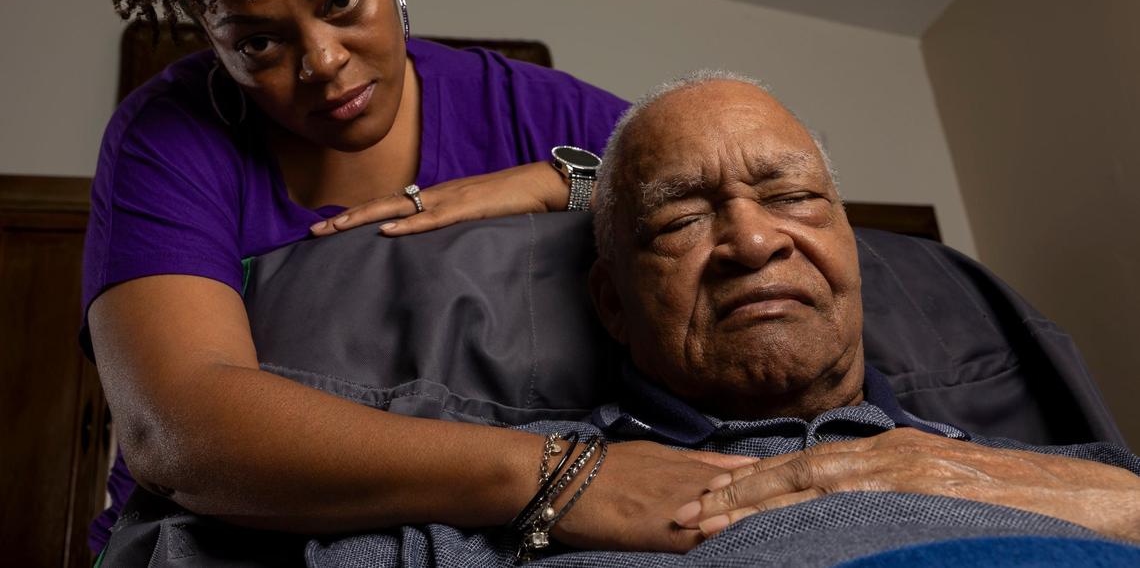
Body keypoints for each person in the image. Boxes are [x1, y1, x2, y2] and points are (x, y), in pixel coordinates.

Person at [85, 0, 749, 557]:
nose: (323, 61)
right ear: (212, 39)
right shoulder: (168, 139)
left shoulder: (527, 108)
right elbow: (177, 431)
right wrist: (563, 478)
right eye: (258, 43)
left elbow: (766, 199)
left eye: (341, 0)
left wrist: (562, 186)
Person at [298, 72, 1139, 566]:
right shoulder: (486, 522)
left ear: (849, 250)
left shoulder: (1069, 475)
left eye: (792, 197)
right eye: (680, 220)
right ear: (611, 303)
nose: (752, 239)